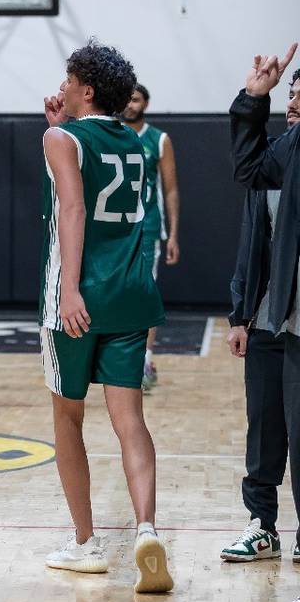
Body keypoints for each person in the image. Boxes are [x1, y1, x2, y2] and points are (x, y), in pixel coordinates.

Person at [40, 41, 172, 593]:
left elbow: (73, 207)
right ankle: (145, 529)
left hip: (77, 296)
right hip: (131, 294)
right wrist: (58, 127)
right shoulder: (141, 144)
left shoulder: (61, 137)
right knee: (130, 421)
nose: (63, 88)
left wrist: (69, 288)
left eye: (69, 82)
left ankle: (86, 543)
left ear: (86, 90)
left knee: (68, 419)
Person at [229, 42, 300, 602]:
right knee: (274, 430)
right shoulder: (289, 152)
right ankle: (264, 526)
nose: (293, 100)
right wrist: (255, 99)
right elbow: (250, 169)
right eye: (291, 94)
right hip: (284, 321)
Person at [122, 84, 180, 391]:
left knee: (145, 293)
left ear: (146, 103)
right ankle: (119, 358)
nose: (130, 105)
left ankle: (145, 359)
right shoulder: (112, 134)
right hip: (115, 228)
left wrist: (172, 234)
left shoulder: (159, 140)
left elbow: (170, 189)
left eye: (136, 99)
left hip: (147, 227)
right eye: (127, 99)